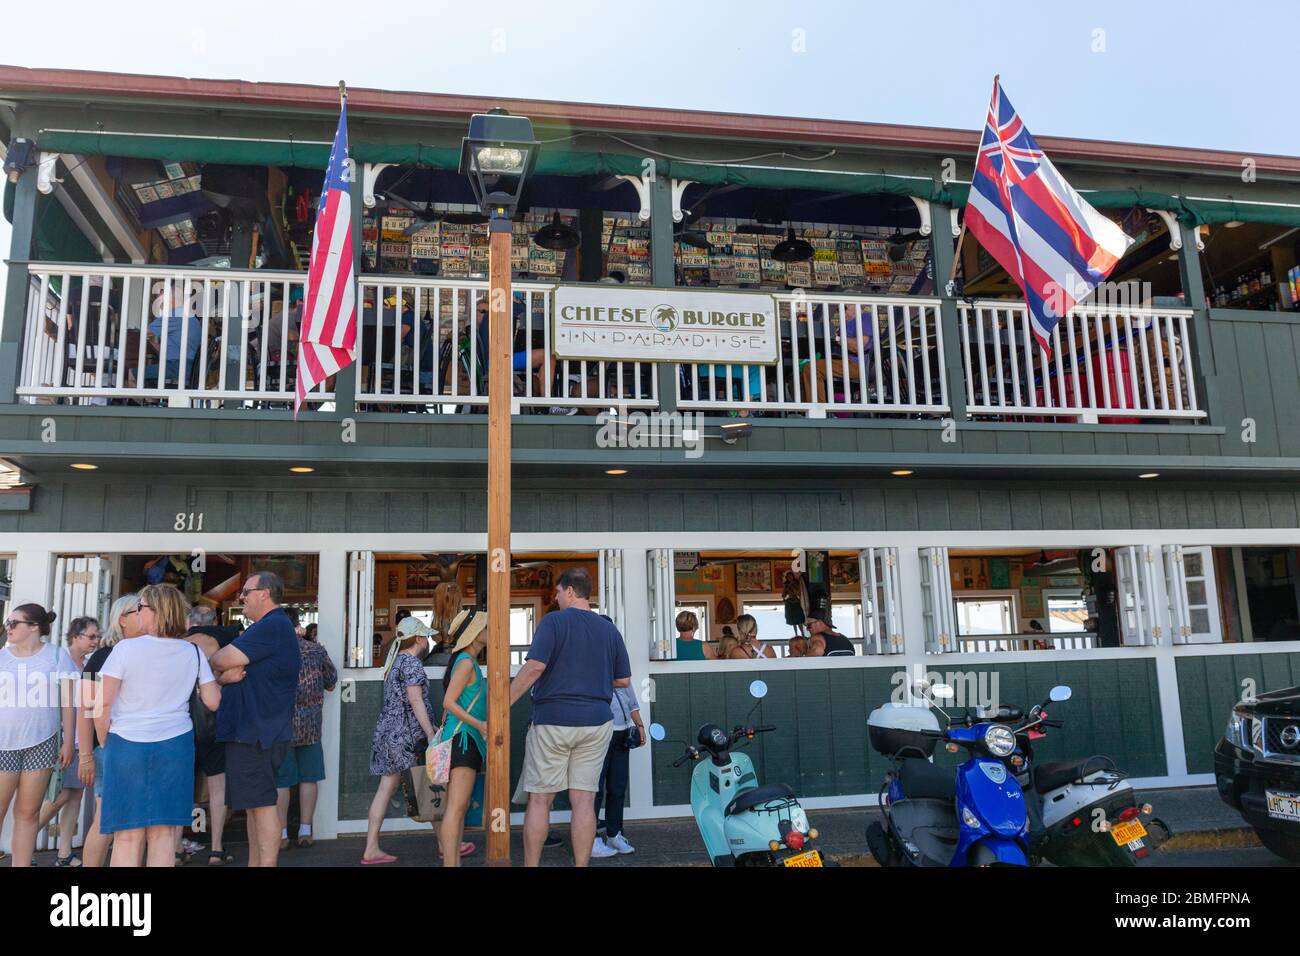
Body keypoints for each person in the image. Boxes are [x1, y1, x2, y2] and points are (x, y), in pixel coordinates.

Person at [509, 568, 631, 868]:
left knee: (540, 800)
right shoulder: (608, 629)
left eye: (558, 592)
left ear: (571, 591)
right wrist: (594, 679)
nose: (555, 597)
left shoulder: (553, 622)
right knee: (584, 801)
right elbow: (624, 680)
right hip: (597, 723)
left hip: (553, 720)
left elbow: (534, 667)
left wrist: (501, 706)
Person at [96, 585, 224, 867]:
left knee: (127, 835)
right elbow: (213, 701)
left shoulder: (125, 649)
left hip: (126, 744)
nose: (138, 612)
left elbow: (102, 703)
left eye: (141, 607)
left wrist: (105, 742)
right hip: (175, 746)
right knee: (164, 835)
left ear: (154, 612)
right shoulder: (193, 651)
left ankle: (127, 909)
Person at [362, 617, 473, 863]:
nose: (428, 642)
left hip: (390, 734)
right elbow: (415, 701)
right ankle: (446, 845)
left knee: (386, 790)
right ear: (420, 639)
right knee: (429, 787)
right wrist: (431, 734)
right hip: (409, 738)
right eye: (426, 637)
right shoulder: (412, 664)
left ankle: (371, 847)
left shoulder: (394, 662)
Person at [210, 571, 301, 868]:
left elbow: (220, 659)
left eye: (246, 592)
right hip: (254, 731)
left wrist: (223, 673)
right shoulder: (270, 627)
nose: (241, 598)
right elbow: (225, 666)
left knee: (262, 806)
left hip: (257, 733)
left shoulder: (271, 625)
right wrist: (225, 678)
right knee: (253, 806)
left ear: (264, 593)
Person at [0, 604, 76, 868]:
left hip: (43, 742)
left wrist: (69, 741)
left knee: (28, 813)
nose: (7, 627)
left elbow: (69, 702)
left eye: (14, 623)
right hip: (3, 745)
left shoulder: (57, 656)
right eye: (7, 623)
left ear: (34, 627)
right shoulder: (2, 657)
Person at [77, 595, 141, 867]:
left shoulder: (141, 652)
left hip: (132, 746)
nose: (146, 615)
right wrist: (86, 756)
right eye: (138, 610)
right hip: (109, 748)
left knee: (128, 823)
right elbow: (85, 709)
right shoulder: (102, 657)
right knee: (106, 819)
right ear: (122, 619)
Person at [35, 616, 100, 866]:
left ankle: (64, 853)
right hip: (62, 737)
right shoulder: (59, 659)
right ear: (76, 636)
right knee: (60, 794)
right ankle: (24, 839)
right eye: (91, 636)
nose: (96, 641)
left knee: (75, 796)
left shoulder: (87, 665)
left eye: (97, 636)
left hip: (81, 739)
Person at [184, 604, 240, 865]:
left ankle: (174, 847)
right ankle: (216, 848)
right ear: (215, 620)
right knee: (218, 788)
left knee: (182, 788)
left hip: (182, 724)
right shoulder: (226, 640)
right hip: (215, 721)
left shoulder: (178, 642)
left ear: (189, 622)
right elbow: (239, 673)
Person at [276, 615, 337, 851]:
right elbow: (331, 682)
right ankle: (305, 830)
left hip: (281, 725)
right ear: (298, 627)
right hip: (311, 725)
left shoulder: (273, 651)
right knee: (309, 778)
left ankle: (281, 833)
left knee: (281, 782)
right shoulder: (315, 651)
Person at [438, 609, 488, 867]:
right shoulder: (466, 662)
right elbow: (449, 702)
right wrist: (480, 724)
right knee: (456, 809)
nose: (489, 631)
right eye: (485, 627)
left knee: (458, 808)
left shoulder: (466, 661)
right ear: (474, 634)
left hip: (462, 740)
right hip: (463, 740)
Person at [591, 670, 645, 858]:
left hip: (622, 733)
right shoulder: (592, 666)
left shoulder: (620, 670)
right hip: (598, 732)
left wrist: (639, 726)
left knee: (618, 787)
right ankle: (592, 838)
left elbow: (632, 703)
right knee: (594, 789)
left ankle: (614, 834)